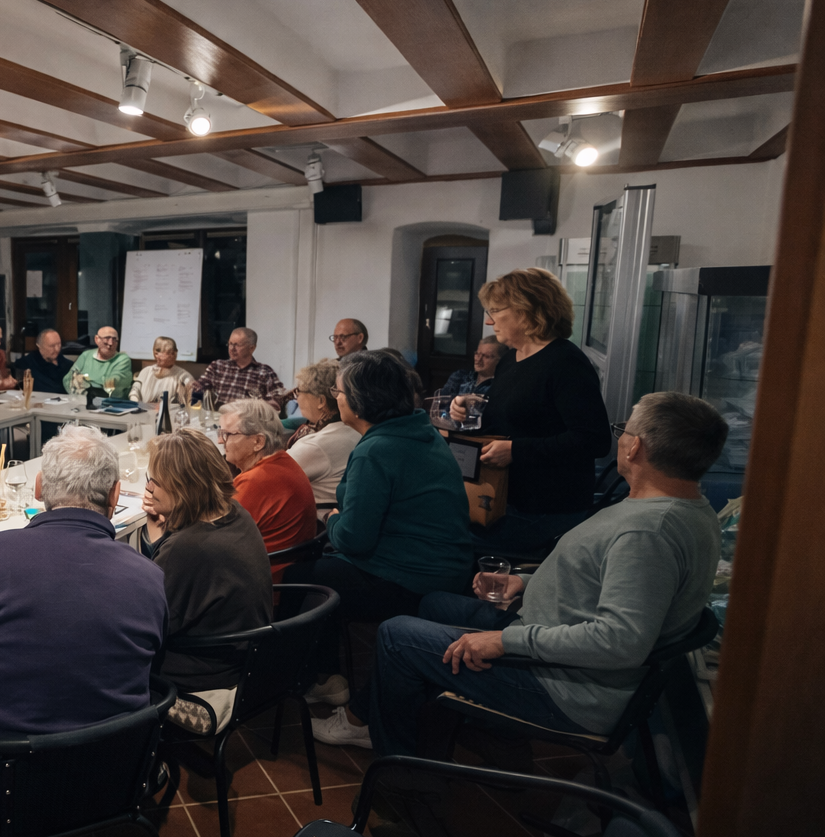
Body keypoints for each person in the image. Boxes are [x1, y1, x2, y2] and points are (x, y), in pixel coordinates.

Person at [315, 392, 728, 754]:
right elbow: (608, 583)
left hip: (565, 688)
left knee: (397, 635)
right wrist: (526, 583)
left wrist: (505, 640)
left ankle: (398, 771)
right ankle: (470, 726)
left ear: (635, 447)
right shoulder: (686, 510)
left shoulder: (648, 532)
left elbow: (619, 641)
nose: (619, 437)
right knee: (433, 602)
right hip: (551, 639)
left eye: (623, 429)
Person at [0, 424, 166, 822]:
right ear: (116, 494)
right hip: (112, 777)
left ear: (40, 487)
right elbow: (149, 666)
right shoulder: (150, 576)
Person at [283, 352, 474, 713]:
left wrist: (333, 519)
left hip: (413, 578)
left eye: (339, 392)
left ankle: (319, 680)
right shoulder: (421, 431)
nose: (336, 397)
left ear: (360, 400)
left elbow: (354, 538)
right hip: (449, 566)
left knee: (301, 579)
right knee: (318, 567)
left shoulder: (377, 448)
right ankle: (325, 675)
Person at [448, 269, 612, 556]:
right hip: (503, 498)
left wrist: (516, 451)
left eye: (495, 311)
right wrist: (468, 411)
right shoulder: (511, 358)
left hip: (547, 508)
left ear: (526, 311)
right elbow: (514, 417)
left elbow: (594, 440)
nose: (489, 320)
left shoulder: (565, 362)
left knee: (443, 541)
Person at [140, 428, 272, 730]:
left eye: (154, 481)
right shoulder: (235, 513)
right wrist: (164, 534)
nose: (150, 490)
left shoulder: (188, 548)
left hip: (203, 681)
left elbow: (147, 625)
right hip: (241, 663)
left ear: (182, 488)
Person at [218, 400, 319, 579]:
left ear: (258, 441)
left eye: (227, 434)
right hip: (281, 574)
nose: (220, 441)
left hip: (258, 585)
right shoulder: (282, 461)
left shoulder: (256, 480)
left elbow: (218, 538)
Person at [286, 360, 361, 511]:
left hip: (319, 525)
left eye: (298, 391)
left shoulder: (315, 445)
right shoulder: (357, 429)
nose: (297, 397)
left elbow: (268, 479)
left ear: (321, 401)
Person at [192, 327, 285, 405]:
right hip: (222, 419)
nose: (232, 349)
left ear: (251, 348)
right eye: (230, 344)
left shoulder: (265, 372)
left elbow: (278, 400)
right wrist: (192, 385)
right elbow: (201, 384)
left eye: (237, 345)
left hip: (248, 422)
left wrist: (274, 402)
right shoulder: (218, 366)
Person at [63, 326, 133, 398]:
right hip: (82, 401)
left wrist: (85, 380)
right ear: (97, 339)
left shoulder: (123, 359)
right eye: (107, 338)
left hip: (112, 404)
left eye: (114, 339)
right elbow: (68, 379)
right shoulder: (86, 355)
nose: (111, 343)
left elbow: (113, 382)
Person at [130, 336, 196, 405]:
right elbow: (134, 391)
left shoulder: (182, 375)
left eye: (174, 352)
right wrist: (136, 404)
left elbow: (192, 391)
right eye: (168, 352)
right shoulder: (146, 371)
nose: (173, 355)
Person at [10, 327, 72, 395]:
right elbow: (12, 375)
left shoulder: (69, 365)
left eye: (59, 344)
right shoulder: (29, 362)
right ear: (39, 346)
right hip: (39, 403)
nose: (57, 349)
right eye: (52, 346)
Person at [439, 336, 505, 398]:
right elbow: (441, 402)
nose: (478, 359)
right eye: (477, 354)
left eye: (486, 356)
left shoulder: (500, 387)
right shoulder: (459, 376)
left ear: (499, 360)